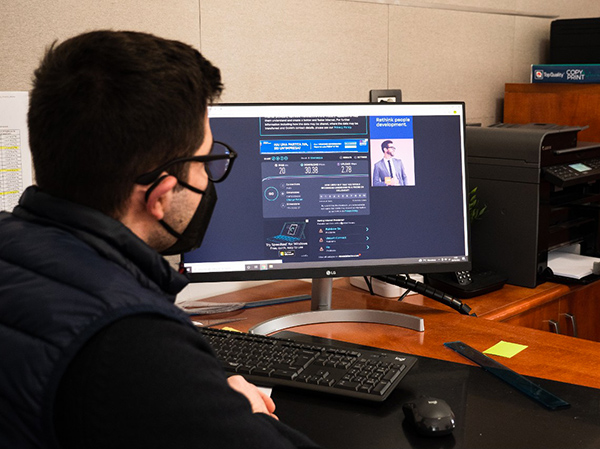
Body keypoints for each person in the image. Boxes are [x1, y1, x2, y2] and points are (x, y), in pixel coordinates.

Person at [0, 30, 321, 449]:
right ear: (161, 195)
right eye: (206, 162)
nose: (209, 178)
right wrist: (244, 413)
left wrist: (198, 388)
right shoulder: (132, 344)